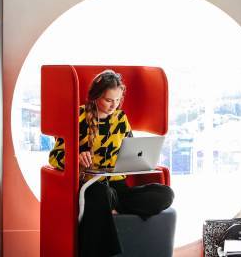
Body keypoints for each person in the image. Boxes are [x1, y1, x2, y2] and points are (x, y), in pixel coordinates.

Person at [48, 69, 174, 257]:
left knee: (165, 194)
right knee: (101, 193)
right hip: (92, 185)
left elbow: (132, 151)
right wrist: (76, 160)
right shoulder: (78, 117)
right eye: (108, 100)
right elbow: (54, 157)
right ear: (96, 96)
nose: (113, 105)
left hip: (118, 186)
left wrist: (142, 162)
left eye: (117, 100)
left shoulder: (121, 119)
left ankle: (111, 207)